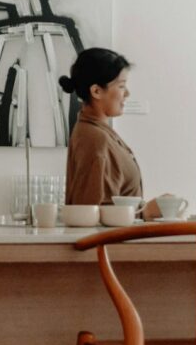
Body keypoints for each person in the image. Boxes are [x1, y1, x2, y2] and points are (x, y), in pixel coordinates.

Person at [59, 48, 159, 218]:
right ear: (96, 91)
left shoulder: (99, 132)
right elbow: (92, 213)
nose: (127, 93)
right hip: (113, 236)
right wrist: (146, 211)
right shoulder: (95, 138)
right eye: (121, 86)